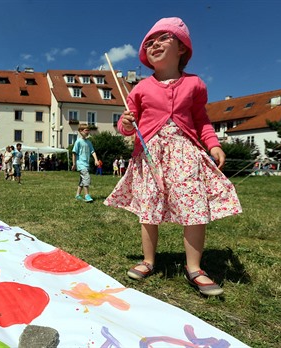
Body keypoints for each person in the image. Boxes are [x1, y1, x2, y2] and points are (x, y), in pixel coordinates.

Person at [104, 17, 242, 296]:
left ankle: (194, 268)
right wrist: (127, 124)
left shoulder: (194, 84)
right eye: (149, 42)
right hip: (151, 154)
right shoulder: (140, 89)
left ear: (182, 49)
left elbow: (201, 120)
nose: (154, 44)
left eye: (163, 39)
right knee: (149, 209)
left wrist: (213, 144)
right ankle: (148, 260)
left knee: (194, 207)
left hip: (185, 152)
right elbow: (125, 128)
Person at [72, 124, 99, 202]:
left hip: (86, 164)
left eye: (88, 130)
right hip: (81, 164)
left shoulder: (89, 142)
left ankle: (77, 195)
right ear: (80, 131)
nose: (88, 132)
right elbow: (74, 153)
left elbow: (92, 151)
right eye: (86, 130)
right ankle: (87, 195)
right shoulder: (78, 142)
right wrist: (74, 164)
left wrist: (96, 160)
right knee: (86, 178)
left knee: (82, 180)